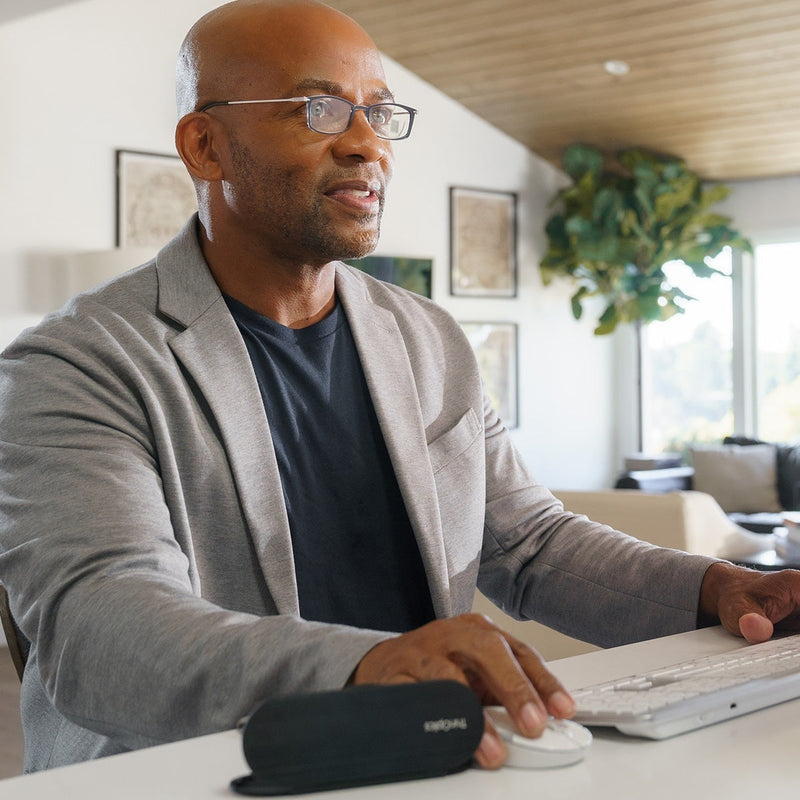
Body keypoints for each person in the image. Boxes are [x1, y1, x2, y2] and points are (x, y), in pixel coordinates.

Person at [1, 0, 799, 774]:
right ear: (205, 146)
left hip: (429, 758)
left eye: (379, 114)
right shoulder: (73, 365)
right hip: (191, 773)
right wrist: (369, 663)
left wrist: (721, 587)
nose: (366, 146)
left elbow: (530, 545)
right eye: (318, 109)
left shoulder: (427, 339)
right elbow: (98, 627)